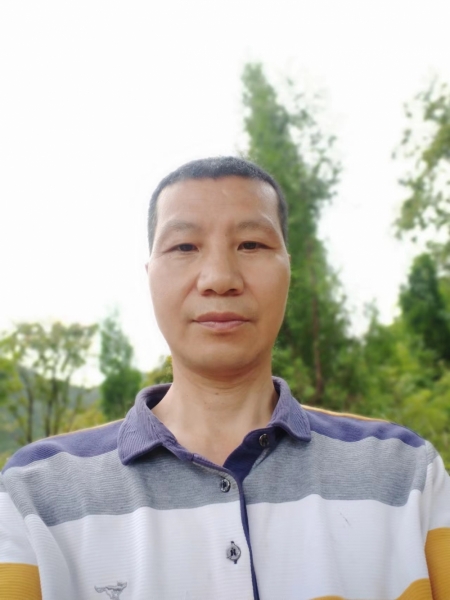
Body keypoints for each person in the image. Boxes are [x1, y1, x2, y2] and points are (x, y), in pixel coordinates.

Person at [1, 156, 449, 600]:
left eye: (251, 244)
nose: (219, 279)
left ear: (288, 269)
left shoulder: (406, 474)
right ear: (150, 276)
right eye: (184, 247)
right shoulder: (35, 496)